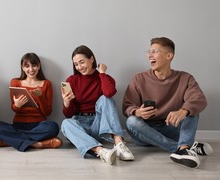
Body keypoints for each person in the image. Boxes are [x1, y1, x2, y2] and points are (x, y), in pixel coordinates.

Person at [123, 37, 213, 168]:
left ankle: (184, 147)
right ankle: (183, 148)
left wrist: (183, 111)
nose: (150, 55)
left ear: (169, 56)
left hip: (171, 128)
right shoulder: (139, 78)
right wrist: (138, 112)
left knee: (192, 111)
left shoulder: (185, 78)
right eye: (149, 51)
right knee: (131, 121)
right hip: (144, 132)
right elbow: (127, 106)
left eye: (154, 51)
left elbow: (199, 99)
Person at [61, 45, 134, 165]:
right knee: (65, 123)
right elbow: (68, 114)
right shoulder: (71, 80)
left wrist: (102, 73)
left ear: (91, 59)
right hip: (80, 125)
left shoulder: (104, 78)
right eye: (76, 64)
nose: (79, 67)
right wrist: (66, 103)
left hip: (99, 125)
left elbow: (109, 93)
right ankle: (101, 151)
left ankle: (119, 143)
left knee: (105, 99)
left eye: (82, 62)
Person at [0, 53, 62, 151]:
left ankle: (10, 141)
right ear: (22, 68)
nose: (31, 69)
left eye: (34, 65)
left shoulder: (46, 84)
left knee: (53, 127)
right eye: (27, 66)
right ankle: (37, 144)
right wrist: (17, 105)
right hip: (19, 125)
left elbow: (47, 112)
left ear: (39, 66)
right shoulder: (15, 82)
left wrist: (40, 96)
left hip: (39, 125)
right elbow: (14, 109)